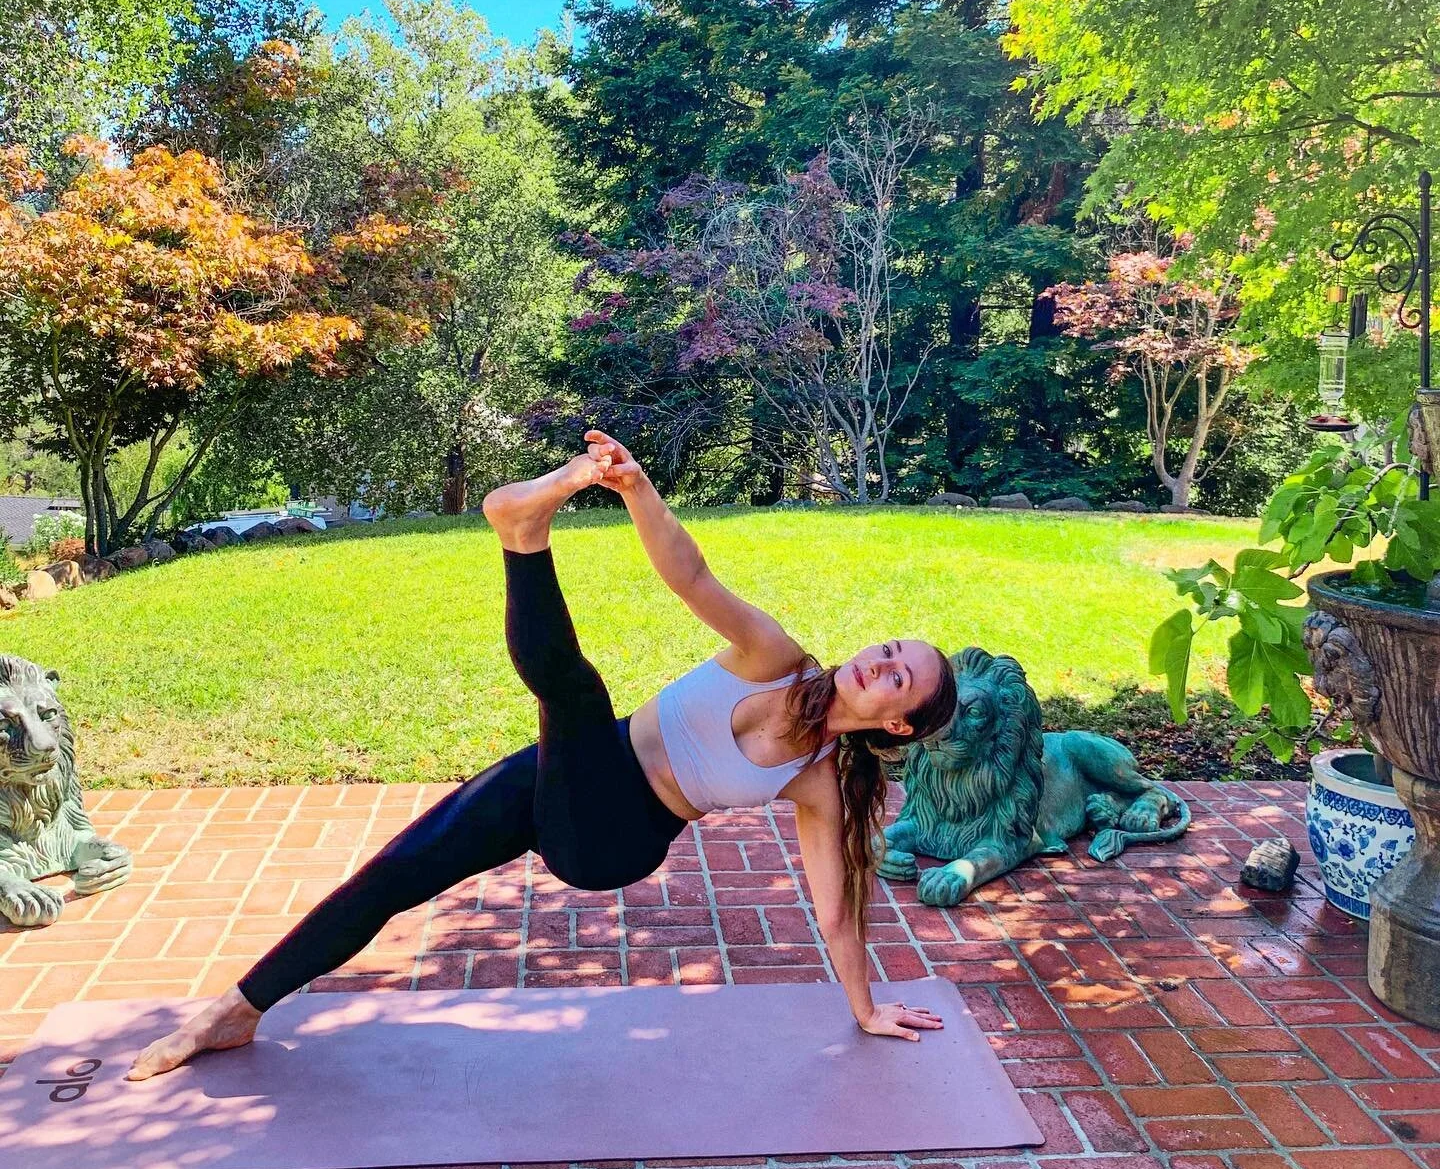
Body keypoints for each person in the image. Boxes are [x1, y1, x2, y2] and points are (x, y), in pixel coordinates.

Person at [128, 431, 959, 1080]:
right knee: (394, 874)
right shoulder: (775, 653)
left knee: (579, 694)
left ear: (897, 725)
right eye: (888, 647)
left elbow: (836, 910)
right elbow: (691, 574)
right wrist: (636, 488)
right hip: (569, 765)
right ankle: (236, 1008)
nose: (878, 663)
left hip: (610, 839)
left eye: (898, 677)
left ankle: (522, 533)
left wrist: (865, 1008)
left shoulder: (818, 783)